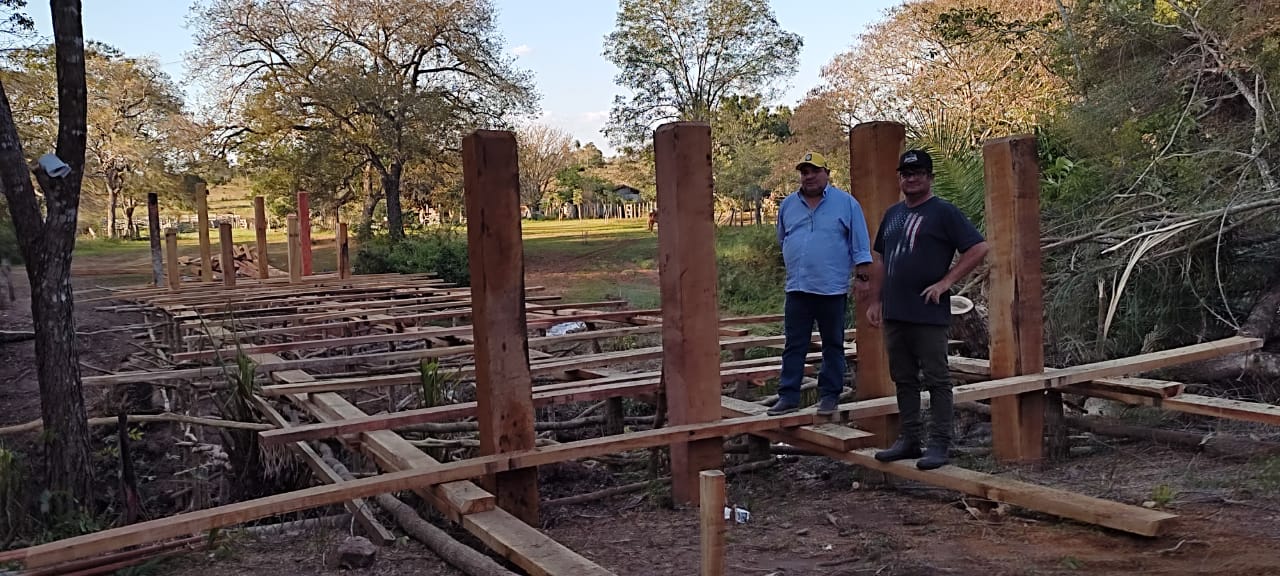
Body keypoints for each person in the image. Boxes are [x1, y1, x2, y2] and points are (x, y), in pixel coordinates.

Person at [866, 149, 989, 470]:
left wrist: (946, 282)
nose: (911, 178)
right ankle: (909, 439)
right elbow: (880, 259)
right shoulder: (892, 215)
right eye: (906, 174)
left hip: (928, 312)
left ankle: (939, 444)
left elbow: (978, 247)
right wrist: (875, 300)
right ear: (900, 179)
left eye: (918, 173)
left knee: (936, 378)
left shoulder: (943, 212)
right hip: (895, 310)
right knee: (903, 378)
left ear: (930, 177)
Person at [768, 152, 874, 417]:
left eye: (814, 170)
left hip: (831, 289)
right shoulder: (788, 205)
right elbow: (783, 239)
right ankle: (788, 396)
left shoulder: (846, 204)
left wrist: (862, 279)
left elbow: (860, 246)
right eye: (805, 172)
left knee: (833, 344)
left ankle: (829, 396)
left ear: (826, 172)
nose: (809, 176)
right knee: (794, 344)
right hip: (798, 288)